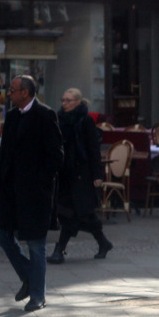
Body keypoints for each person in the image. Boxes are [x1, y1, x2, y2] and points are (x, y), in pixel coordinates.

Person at [0, 74, 63, 312]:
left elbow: (57, 156)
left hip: (35, 192)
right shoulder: (11, 117)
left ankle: (38, 295)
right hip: (10, 189)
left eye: (12, 90)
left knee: (36, 243)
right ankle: (30, 276)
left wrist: (40, 181)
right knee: (0, 232)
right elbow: (4, 156)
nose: (9, 93)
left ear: (25, 93)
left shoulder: (45, 115)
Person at [48, 88, 110, 265]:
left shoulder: (86, 121)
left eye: (68, 100)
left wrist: (97, 174)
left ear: (78, 102)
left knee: (72, 213)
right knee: (80, 214)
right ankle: (103, 243)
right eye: (63, 100)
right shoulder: (59, 120)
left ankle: (59, 251)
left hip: (82, 175)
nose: (64, 103)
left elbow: (93, 149)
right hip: (65, 174)